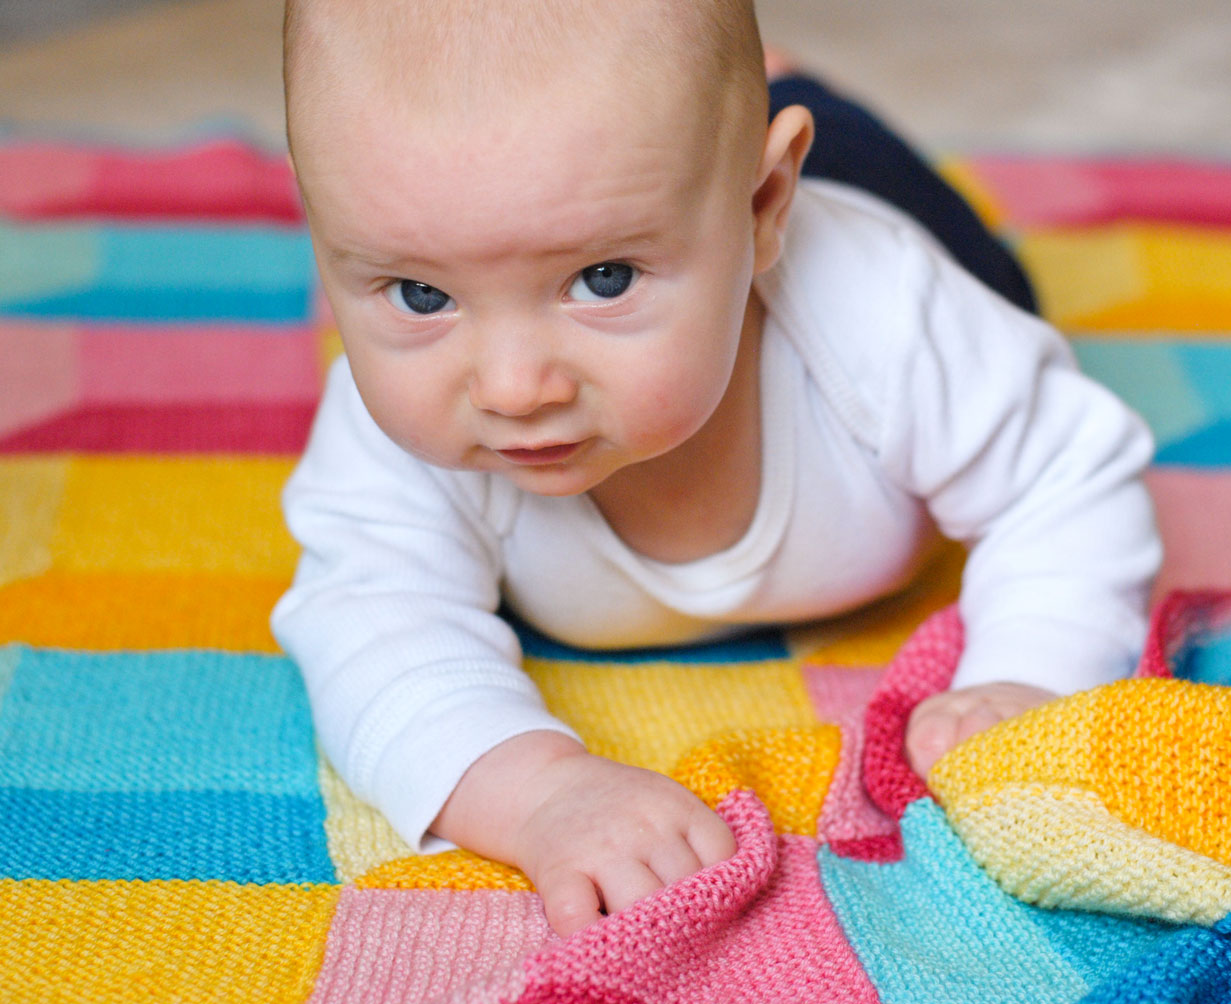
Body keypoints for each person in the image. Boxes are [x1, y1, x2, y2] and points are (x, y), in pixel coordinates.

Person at [273, 0, 1161, 938]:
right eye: (422, 293)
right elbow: (369, 618)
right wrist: (534, 791)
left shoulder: (890, 319)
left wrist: (1032, 672)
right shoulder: (391, 427)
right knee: (675, 143)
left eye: (603, 279)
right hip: (700, 191)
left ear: (764, 204)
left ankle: (792, 93)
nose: (513, 387)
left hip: (874, 212)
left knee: (1000, 286)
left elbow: (1064, 478)